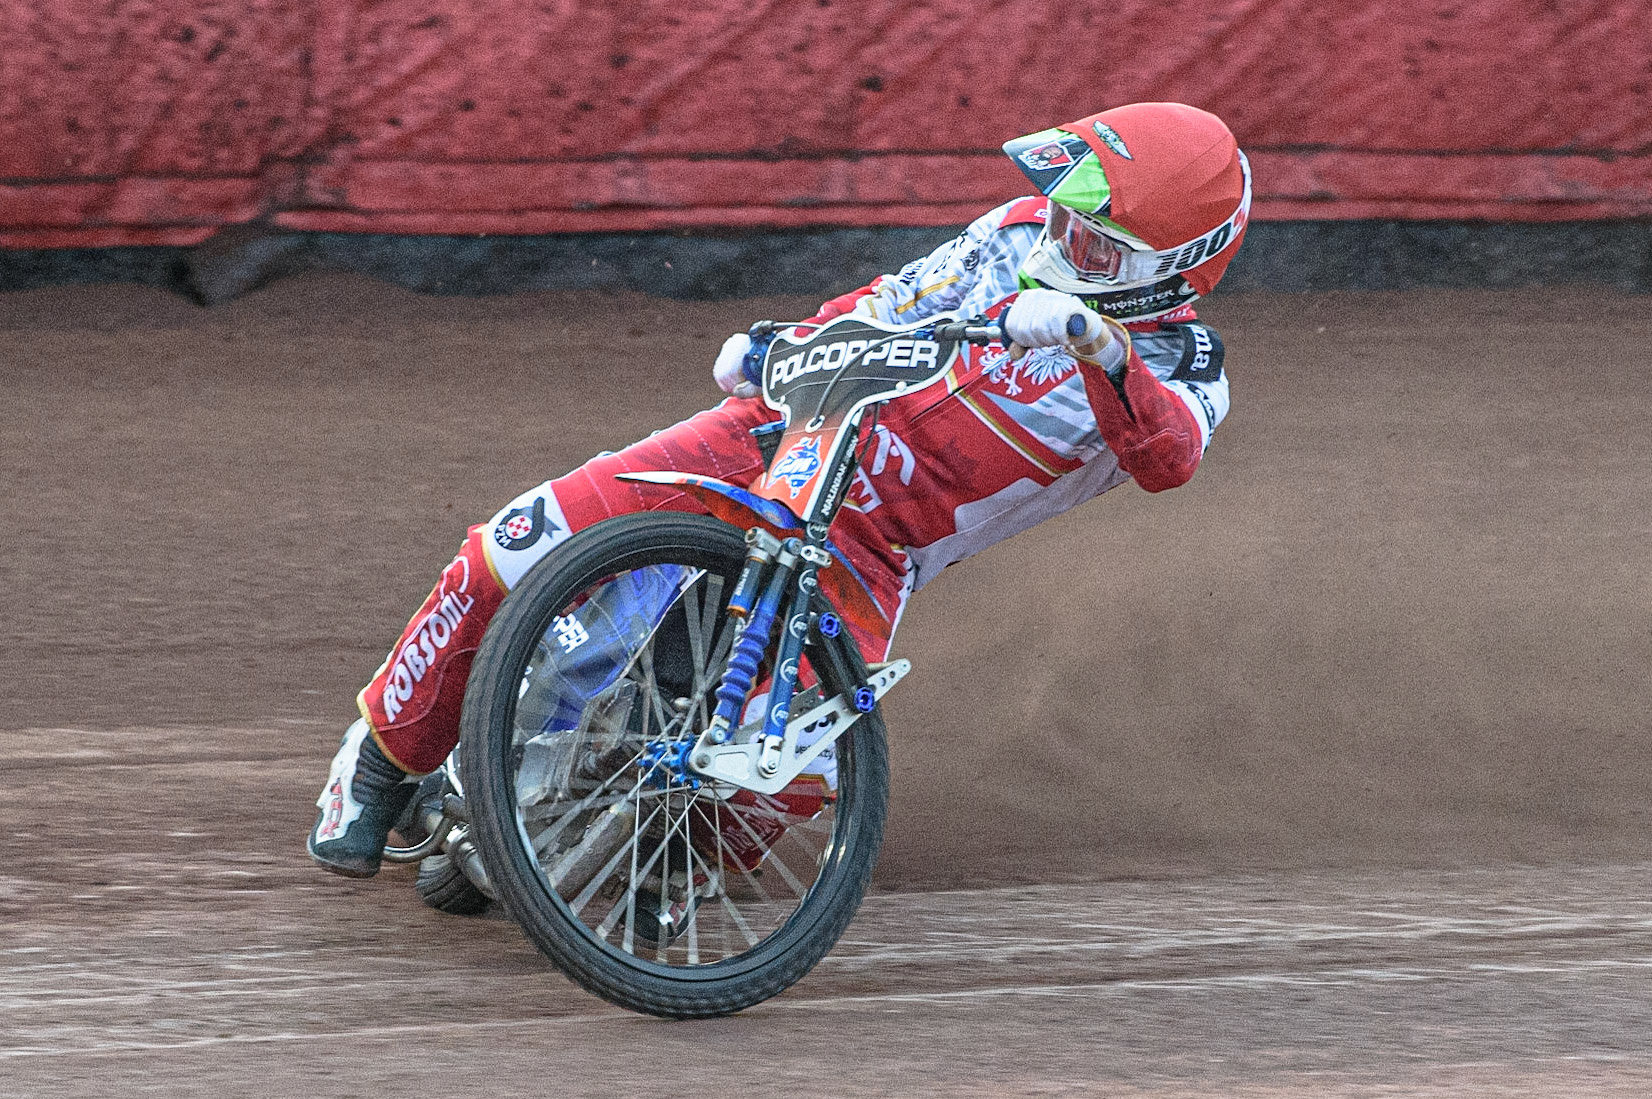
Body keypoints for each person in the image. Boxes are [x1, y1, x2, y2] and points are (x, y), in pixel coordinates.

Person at [308, 101, 1251, 878]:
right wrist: (776, 348)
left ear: (1165, 266)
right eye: (1058, 218)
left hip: (872, 544)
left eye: (1091, 244)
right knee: (519, 541)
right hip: (779, 431)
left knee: (789, 770)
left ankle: (654, 876)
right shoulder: (1010, 236)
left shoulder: (1186, 366)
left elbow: (1165, 459)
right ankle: (380, 763)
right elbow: (887, 305)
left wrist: (1101, 347)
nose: (1055, 241)